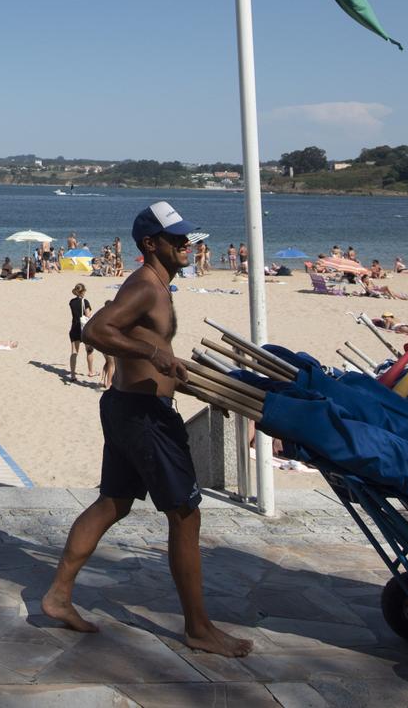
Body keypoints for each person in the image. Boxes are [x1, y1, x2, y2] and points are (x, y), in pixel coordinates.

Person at [40, 202, 251, 657]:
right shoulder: (145, 286)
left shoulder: (158, 285)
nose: (187, 247)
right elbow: (96, 329)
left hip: (126, 407)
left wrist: (191, 380)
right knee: (185, 514)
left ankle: (58, 596)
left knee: (112, 503)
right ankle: (198, 628)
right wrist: (150, 354)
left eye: (187, 239)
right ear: (150, 244)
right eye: (177, 240)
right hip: (144, 417)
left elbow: (155, 353)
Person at [67, 282, 95, 382]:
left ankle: (73, 374)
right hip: (84, 328)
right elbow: (87, 315)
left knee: (74, 352)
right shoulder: (85, 301)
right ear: (82, 291)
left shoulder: (71, 302)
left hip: (74, 327)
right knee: (89, 350)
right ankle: (91, 371)